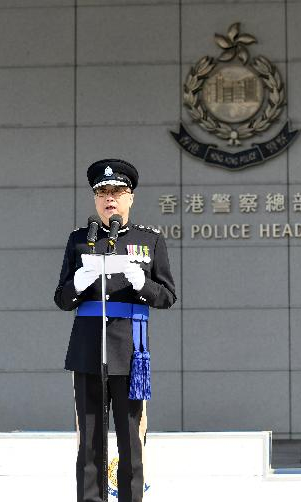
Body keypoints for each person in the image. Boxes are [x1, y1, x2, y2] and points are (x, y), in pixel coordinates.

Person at [54, 159, 177, 502]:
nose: (110, 198)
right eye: (103, 192)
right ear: (95, 200)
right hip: (88, 350)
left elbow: (167, 297)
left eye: (117, 192)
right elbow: (62, 299)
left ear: (130, 198)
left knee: (131, 442)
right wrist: (78, 285)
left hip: (130, 353)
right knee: (89, 443)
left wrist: (143, 285)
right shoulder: (80, 240)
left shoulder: (149, 240)